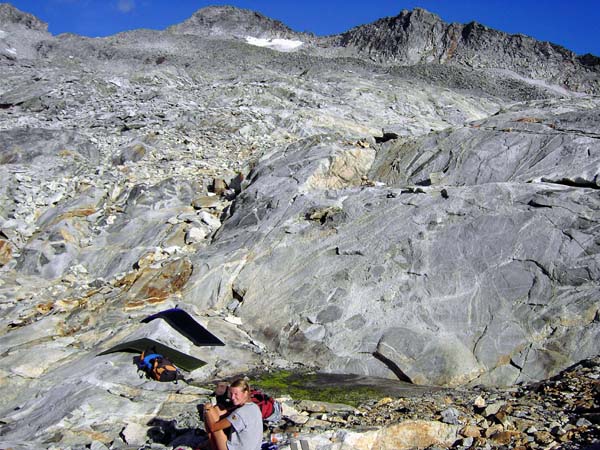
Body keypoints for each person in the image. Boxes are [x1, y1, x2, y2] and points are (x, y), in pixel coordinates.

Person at [203, 378, 263, 450]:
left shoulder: (241, 412)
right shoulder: (254, 407)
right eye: (231, 394)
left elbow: (213, 427)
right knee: (217, 410)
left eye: (236, 394)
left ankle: (212, 446)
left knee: (209, 411)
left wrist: (206, 411)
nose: (232, 397)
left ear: (245, 393)